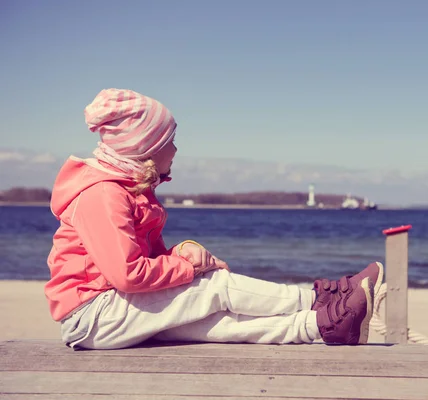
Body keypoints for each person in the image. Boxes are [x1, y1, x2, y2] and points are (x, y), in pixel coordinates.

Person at [44, 88, 384, 350]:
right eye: (170, 141)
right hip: (92, 315)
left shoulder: (131, 190)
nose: (176, 150)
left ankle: (323, 325)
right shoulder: (103, 194)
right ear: (145, 148)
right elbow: (128, 274)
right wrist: (193, 271)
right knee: (214, 288)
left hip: (113, 310)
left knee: (217, 321)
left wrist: (184, 252)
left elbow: (147, 261)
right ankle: (320, 298)